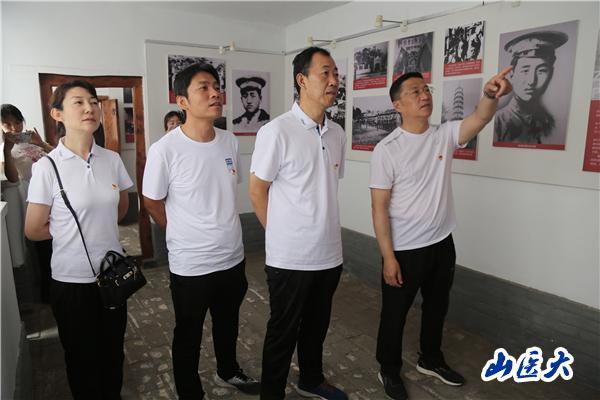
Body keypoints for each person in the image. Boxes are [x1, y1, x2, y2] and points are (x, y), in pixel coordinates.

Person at [370, 68, 512, 400]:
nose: (424, 96)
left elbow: (480, 117)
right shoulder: (387, 149)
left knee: (436, 308)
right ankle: (388, 368)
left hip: (441, 243)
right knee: (394, 315)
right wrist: (388, 257)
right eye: (415, 91)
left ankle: (430, 359)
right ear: (398, 105)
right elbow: (379, 208)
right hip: (404, 249)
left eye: (426, 90)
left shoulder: (443, 135)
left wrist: (490, 95)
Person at [142, 63, 260, 400]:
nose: (214, 94)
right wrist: (179, 231)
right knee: (188, 332)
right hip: (191, 263)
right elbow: (151, 201)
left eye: (216, 87)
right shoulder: (165, 149)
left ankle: (228, 371)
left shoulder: (229, 141)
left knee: (228, 322)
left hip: (232, 256)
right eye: (203, 88)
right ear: (182, 101)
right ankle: (189, 391)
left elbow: (225, 192)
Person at [249, 46, 347, 400]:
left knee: (317, 326)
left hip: (329, 253)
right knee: (283, 331)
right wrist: (280, 236)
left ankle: (311, 379)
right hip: (290, 258)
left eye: (335, 73)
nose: (333, 81)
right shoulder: (276, 131)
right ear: (302, 80)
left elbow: (325, 186)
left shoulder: (336, 133)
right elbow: (257, 191)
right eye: (325, 73)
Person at [24, 80, 133, 399]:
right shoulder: (48, 167)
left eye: (94, 101)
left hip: (112, 276)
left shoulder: (112, 160)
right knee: (82, 359)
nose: (90, 108)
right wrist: (71, 232)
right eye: (79, 102)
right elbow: (33, 229)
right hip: (71, 283)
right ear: (57, 114)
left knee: (113, 353)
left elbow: (120, 211)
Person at [1, 104, 54, 301]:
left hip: (55, 199)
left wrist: (42, 143)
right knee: (44, 250)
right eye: (7, 124)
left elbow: (62, 160)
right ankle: (49, 294)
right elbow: (13, 179)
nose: (14, 128)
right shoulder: (4, 150)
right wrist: (7, 151)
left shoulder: (33, 142)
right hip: (34, 203)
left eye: (17, 122)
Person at [494, 30, 568, 144]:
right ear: (512, 74)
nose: (531, 81)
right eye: (525, 70)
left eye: (541, 71)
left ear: (551, 74)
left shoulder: (553, 124)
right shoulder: (498, 122)